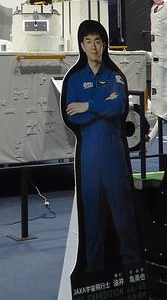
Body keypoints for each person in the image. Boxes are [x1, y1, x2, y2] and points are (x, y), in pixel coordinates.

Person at [63, 20, 141, 273]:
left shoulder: (115, 75)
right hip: (88, 156)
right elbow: (72, 116)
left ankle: (132, 268)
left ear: (105, 44)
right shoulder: (74, 79)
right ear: (82, 45)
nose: (94, 47)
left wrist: (88, 105)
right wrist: (102, 105)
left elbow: (118, 107)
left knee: (123, 214)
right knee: (92, 216)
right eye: (88, 42)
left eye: (98, 41)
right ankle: (93, 272)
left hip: (114, 154)